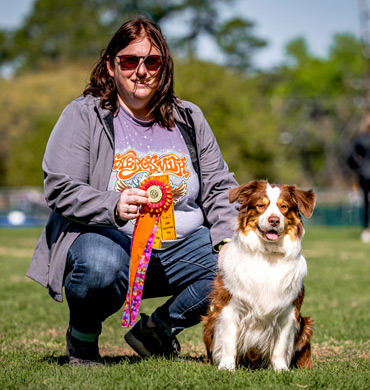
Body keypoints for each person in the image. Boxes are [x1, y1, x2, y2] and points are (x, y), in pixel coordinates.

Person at [27, 17, 239, 365]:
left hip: (181, 247)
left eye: (151, 61)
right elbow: (59, 186)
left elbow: (218, 185)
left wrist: (229, 238)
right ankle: (82, 340)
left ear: (163, 67)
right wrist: (113, 203)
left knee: (239, 264)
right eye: (129, 60)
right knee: (99, 265)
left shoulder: (190, 117)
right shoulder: (83, 115)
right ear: (111, 66)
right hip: (111, 244)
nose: (141, 71)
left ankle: (157, 329)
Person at [348, 114, 370, 243]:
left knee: (365, 202)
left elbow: (350, 156)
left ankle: (366, 230)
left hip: (364, 174)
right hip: (365, 174)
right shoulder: (361, 139)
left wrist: (357, 168)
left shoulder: (361, 139)